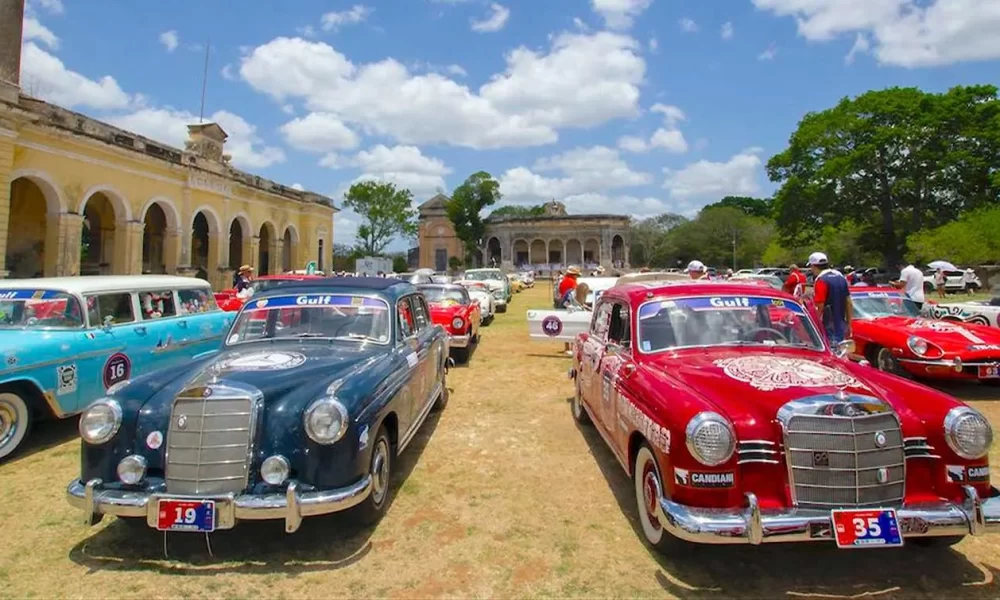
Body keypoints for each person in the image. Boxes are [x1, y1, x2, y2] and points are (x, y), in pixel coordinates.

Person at [808, 252, 852, 344]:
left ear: (814, 266)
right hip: (841, 325)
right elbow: (848, 302)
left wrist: (813, 325)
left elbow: (820, 306)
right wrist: (849, 324)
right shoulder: (840, 277)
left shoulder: (821, 280)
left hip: (828, 328)